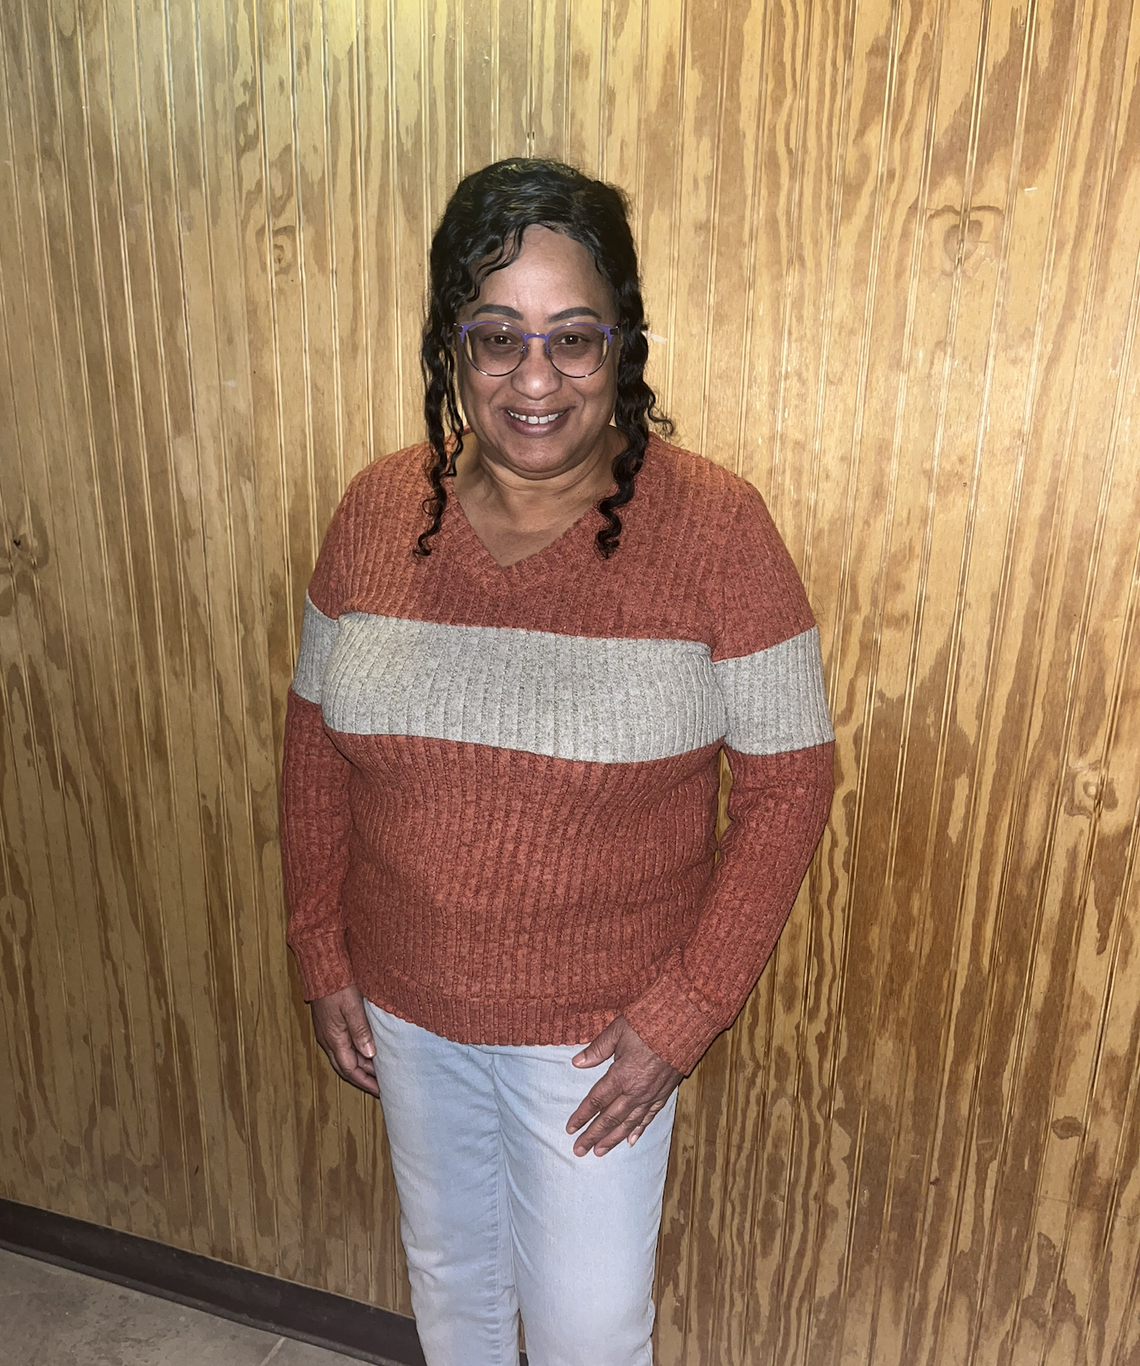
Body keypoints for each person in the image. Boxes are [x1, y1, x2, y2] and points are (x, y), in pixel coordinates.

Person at [279, 158, 834, 1366]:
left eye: (573, 339)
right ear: (453, 342)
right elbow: (313, 741)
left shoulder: (718, 526)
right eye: (498, 337)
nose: (535, 380)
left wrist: (686, 1011)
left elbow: (792, 781)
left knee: (588, 1331)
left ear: (621, 342)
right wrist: (320, 944)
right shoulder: (375, 511)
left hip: (595, 1038)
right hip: (405, 1003)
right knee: (453, 1294)